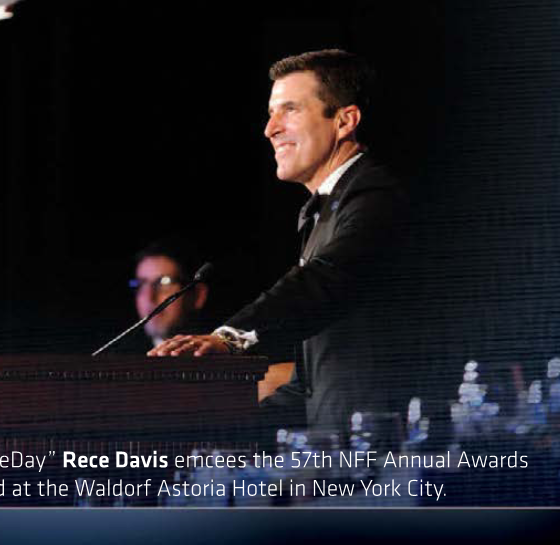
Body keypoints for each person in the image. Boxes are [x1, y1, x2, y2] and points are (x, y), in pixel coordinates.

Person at [149, 50, 408, 433]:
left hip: (388, 460)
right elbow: (310, 385)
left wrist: (230, 339)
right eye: (271, 113)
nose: (270, 129)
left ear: (344, 121)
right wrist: (213, 431)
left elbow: (326, 279)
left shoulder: (377, 194)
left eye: (289, 110)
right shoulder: (323, 211)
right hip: (336, 458)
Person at [131, 241, 209, 347]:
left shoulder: (221, 352)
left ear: (198, 295)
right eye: (141, 284)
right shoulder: (119, 357)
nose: (149, 297)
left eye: (164, 282)